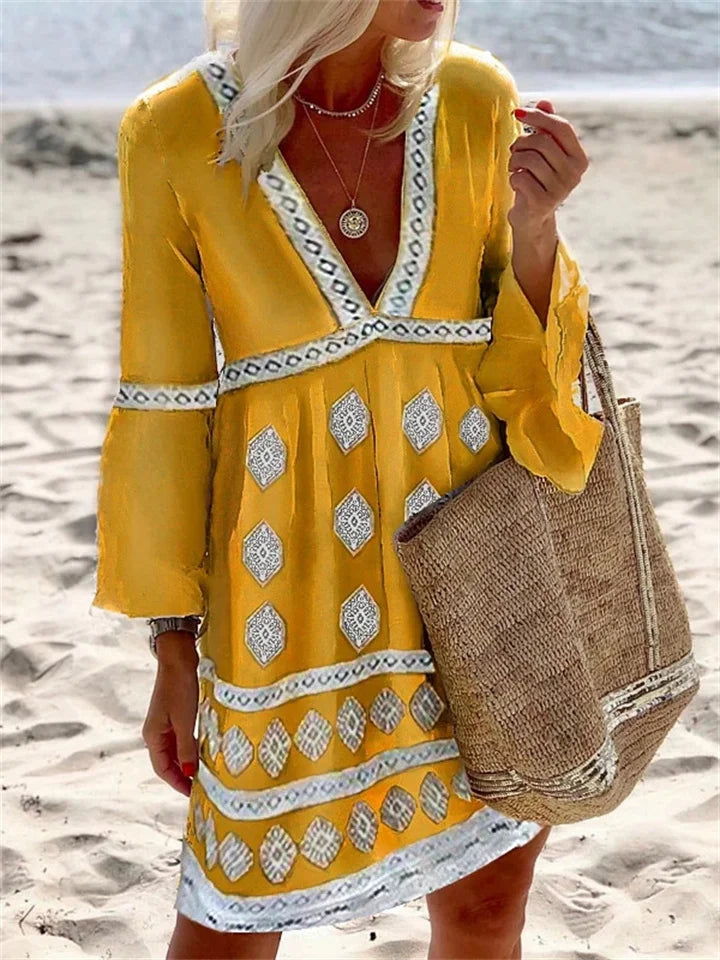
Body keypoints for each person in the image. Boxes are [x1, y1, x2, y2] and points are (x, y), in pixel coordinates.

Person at [90, 0, 603, 957]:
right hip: (283, 594)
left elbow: (530, 382)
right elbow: (163, 402)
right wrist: (172, 644)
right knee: (232, 920)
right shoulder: (174, 130)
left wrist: (536, 230)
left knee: (488, 908)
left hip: (474, 574)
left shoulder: (475, 101)